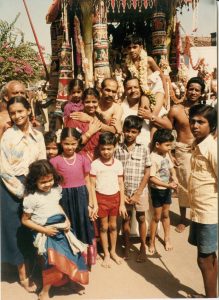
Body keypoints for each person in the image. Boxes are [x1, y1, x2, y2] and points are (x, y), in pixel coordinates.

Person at [22, 159, 89, 300]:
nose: (47, 185)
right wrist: (44, 231)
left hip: (61, 229)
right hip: (45, 233)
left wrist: (67, 219)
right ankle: (45, 292)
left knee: (72, 256)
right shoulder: (31, 198)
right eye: (43, 182)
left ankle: (72, 282)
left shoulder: (55, 190)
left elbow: (57, 206)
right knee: (52, 262)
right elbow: (25, 220)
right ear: (34, 181)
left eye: (50, 180)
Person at [0, 96, 46, 292]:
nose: (17, 115)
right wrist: (22, 192)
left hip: (34, 185)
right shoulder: (8, 136)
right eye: (13, 113)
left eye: (20, 111)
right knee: (16, 230)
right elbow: (3, 169)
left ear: (28, 110)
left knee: (33, 227)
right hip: (12, 187)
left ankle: (35, 266)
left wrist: (41, 187)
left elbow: (43, 163)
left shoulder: (38, 136)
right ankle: (22, 273)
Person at [50, 127, 96, 266]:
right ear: (61, 143)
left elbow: (88, 182)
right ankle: (69, 260)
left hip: (81, 196)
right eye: (66, 143)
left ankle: (84, 260)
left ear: (78, 143)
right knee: (68, 226)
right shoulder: (55, 161)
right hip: (64, 198)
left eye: (73, 144)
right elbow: (53, 185)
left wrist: (91, 203)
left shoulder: (83, 159)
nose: (70, 147)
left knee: (82, 224)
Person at [187, 104, 217, 298]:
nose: (195, 125)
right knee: (209, 258)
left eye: (201, 122)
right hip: (198, 210)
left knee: (204, 259)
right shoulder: (197, 144)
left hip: (209, 212)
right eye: (193, 121)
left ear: (212, 126)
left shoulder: (212, 149)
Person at [168, 76, 205, 233]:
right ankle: (183, 219)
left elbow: (214, 131)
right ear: (186, 89)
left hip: (201, 150)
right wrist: (170, 153)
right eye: (191, 89)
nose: (193, 92)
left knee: (201, 185)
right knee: (183, 186)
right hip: (182, 150)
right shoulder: (176, 109)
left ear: (201, 93)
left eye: (197, 90)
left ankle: (198, 218)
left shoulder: (206, 111)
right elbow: (167, 131)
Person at [115, 116, 151, 261]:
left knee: (141, 217)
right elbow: (117, 172)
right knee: (126, 219)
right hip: (124, 191)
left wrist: (138, 193)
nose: (129, 134)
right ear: (123, 131)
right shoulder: (118, 149)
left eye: (133, 132)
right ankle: (127, 245)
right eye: (127, 131)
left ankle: (142, 247)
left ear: (138, 133)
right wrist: (122, 194)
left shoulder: (143, 149)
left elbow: (147, 172)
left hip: (140, 191)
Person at [90, 132, 127, 268]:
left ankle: (113, 251)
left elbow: (121, 184)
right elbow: (92, 185)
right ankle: (106, 253)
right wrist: (94, 205)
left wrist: (122, 203)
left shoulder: (118, 164)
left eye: (109, 148)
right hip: (101, 199)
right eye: (103, 148)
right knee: (103, 227)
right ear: (99, 148)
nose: (106, 152)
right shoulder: (95, 164)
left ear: (115, 147)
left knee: (113, 226)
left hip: (115, 198)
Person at [123, 36, 167, 119]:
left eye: (135, 47)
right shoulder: (127, 64)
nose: (132, 50)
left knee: (154, 116)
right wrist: (122, 97)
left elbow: (162, 77)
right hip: (144, 93)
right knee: (143, 112)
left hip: (157, 91)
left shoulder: (148, 60)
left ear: (141, 47)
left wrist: (166, 97)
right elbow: (127, 82)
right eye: (129, 48)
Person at [149, 129, 178, 254]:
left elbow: (172, 169)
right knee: (156, 217)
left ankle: (167, 238)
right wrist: (168, 185)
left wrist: (175, 178)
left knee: (166, 215)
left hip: (167, 190)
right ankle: (151, 242)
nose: (169, 148)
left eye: (170, 145)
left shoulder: (166, 155)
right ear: (157, 145)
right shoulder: (153, 158)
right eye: (167, 145)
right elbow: (152, 178)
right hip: (158, 192)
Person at [122, 77, 172, 148]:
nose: (133, 90)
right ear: (125, 90)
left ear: (140, 88)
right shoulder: (121, 106)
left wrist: (150, 116)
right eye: (129, 88)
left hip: (149, 148)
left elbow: (169, 126)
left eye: (136, 87)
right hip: (127, 150)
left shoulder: (152, 103)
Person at [65, 87, 102, 162]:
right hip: (80, 159)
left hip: (99, 159)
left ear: (99, 102)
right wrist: (90, 132)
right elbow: (70, 144)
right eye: (87, 102)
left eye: (94, 102)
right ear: (82, 102)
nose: (91, 105)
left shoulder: (100, 117)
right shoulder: (75, 118)